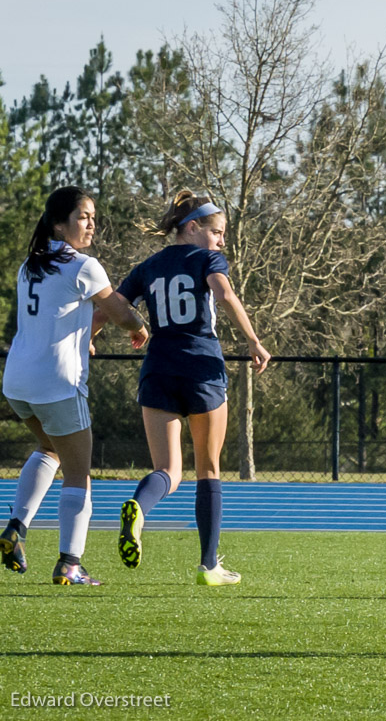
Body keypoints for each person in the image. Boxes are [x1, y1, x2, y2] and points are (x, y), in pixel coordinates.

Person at [106, 190, 270, 585]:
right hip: (201, 368)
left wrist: (96, 336)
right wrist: (252, 339)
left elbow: (111, 305)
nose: (222, 241)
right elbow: (224, 293)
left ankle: (139, 508)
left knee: (167, 470)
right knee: (208, 469)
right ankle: (209, 565)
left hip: (158, 369)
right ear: (193, 227)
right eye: (218, 232)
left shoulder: (148, 265)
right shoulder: (207, 258)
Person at [1, 186, 148, 585]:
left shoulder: (29, 264)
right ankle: (70, 563)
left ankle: (16, 526)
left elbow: (55, 314)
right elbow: (118, 311)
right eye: (84, 217)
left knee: (50, 448)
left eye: (93, 218)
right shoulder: (83, 265)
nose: (91, 225)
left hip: (17, 382)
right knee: (79, 474)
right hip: (58, 383)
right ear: (58, 223)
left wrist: (83, 337)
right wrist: (139, 327)